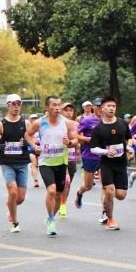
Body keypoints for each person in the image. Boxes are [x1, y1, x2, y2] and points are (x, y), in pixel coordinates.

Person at [26, 96, 78, 236]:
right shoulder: (39, 122)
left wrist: (70, 142)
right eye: (54, 105)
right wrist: (34, 146)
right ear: (47, 107)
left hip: (61, 161)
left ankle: (51, 217)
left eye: (59, 105)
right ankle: (51, 219)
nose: (57, 108)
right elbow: (28, 134)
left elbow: (75, 139)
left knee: (59, 193)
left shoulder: (67, 123)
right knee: (51, 191)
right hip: (45, 162)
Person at [89, 96, 135, 230]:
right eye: (109, 106)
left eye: (113, 106)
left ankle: (106, 202)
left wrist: (129, 147)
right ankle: (110, 219)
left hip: (121, 163)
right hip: (106, 164)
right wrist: (106, 152)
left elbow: (129, 139)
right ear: (102, 108)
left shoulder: (122, 123)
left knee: (120, 195)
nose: (111, 108)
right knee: (109, 191)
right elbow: (93, 148)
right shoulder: (98, 128)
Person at [0, 94, 30, 233]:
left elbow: (32, 139)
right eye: (13, 104)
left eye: (18, 104)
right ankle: (15, 222)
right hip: (7, 163)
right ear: (8, 105)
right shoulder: (1, 124)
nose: (16, 106)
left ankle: (10, 208)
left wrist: (27, 143)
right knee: (12, 191)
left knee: (21, 197)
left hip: (22, 162)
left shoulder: (26, 123)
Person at [75, 98, 104, 220]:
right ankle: (79, 193)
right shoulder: (87, 120)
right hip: (90, 155)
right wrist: (87, 139)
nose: (100, 108)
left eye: (102, 106)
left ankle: (105, 212)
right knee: (88, 186)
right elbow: (76, 135)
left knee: (106, 186)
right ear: (93, 107)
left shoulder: (108, 120)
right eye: (97, 106)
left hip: (104, 156)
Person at [59, 102, 79, 219]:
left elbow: (79, 138)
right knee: (64, 181)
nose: (68, 112)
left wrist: (73, 142)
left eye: (71, 110)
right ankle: (61, 204)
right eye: (66, 110)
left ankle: (63, 202)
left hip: (71, 157)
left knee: (68, 182)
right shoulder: (55, 124)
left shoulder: (76, 124)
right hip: (57, 157)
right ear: (61, 111)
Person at [28, 114, 41, 188]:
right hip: (31, 148)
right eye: (32, 118)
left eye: (35, 118)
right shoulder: (28, 128)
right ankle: (35, 180)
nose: (34, 119)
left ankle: (34, 172)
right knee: (34, 163)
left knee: (38, 164)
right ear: (30, 119)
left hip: (40, 148)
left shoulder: (40, 127)